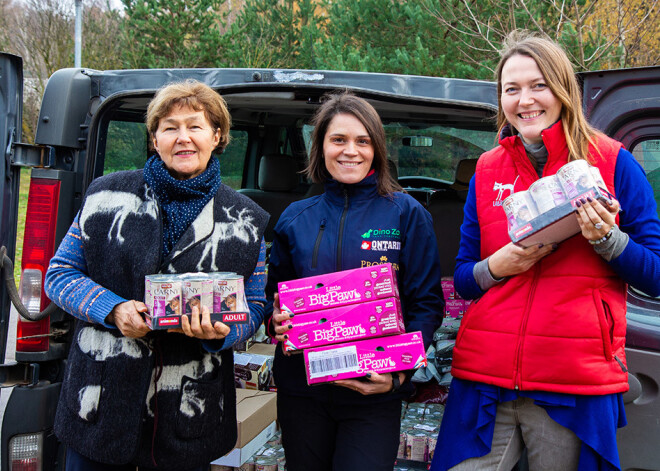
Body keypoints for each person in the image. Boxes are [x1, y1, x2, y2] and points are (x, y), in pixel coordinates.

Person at [432, 31, 660, 471]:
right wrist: (497, 266)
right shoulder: (486, 169)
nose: (525, 100)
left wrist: (608, 242)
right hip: (485, 375)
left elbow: (654, 274)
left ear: (563, 89)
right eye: (511, 89)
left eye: (538, 85)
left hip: (571, 381)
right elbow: (463, 276)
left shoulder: (613, 162)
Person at [44, 80, 269, 471]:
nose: (183, 138)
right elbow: (60, 275)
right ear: (154, 138)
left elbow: (256, 303)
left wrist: (223, 334)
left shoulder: (248, 219)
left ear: (217, 135)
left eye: (195, 126)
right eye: (170, 127)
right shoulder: (104, 196)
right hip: (98, 405)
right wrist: (113, 310)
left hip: (187, 415)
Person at [265, 92, 444, 471]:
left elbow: (427, 305)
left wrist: (397, 376)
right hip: (303, 392)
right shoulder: (296, 217)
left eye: (363, 141)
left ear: (377, 148)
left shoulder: (407, 214)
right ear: (321, 147)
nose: (351, 152)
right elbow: (272, 297)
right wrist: (274, 320)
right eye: (339, 140)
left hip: (373, 392)